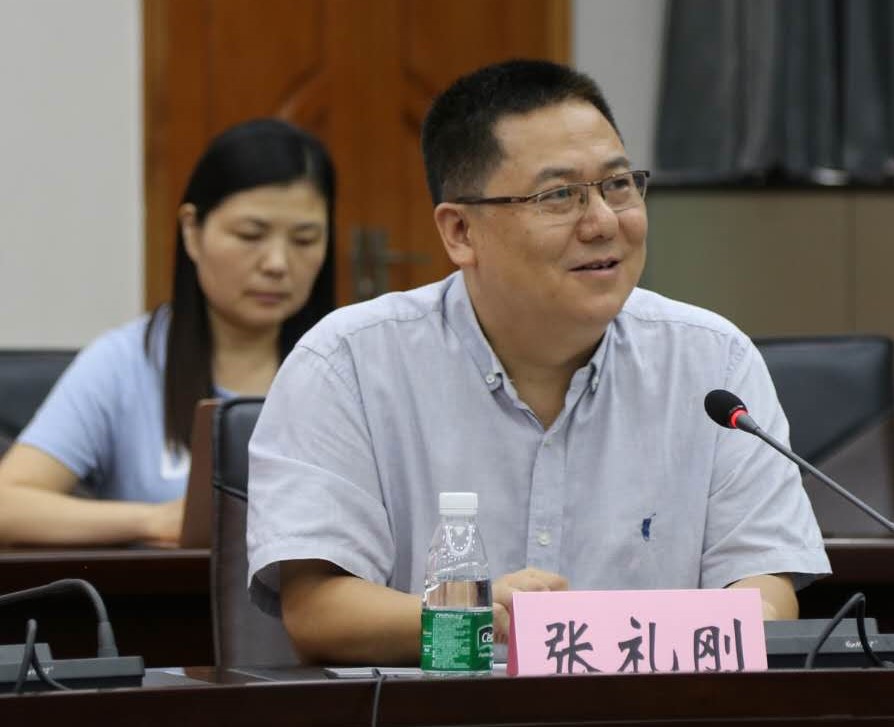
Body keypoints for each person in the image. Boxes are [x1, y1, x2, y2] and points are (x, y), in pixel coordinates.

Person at [247, 60, 830, 666]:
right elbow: (317, 609)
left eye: (618, 185)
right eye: (559, 196)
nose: (602, 222)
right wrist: (475, 617)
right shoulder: (347, 365)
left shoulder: (713, 362)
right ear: (460, 231)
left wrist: (744, 618)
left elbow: (762, 581)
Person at [0, 118, 336, 548]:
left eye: (305, 240)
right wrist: (153, 521)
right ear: (192, 231)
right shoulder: (125, 362)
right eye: (250, 235)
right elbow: (9, 503)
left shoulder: (348, 365)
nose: (277, 263)